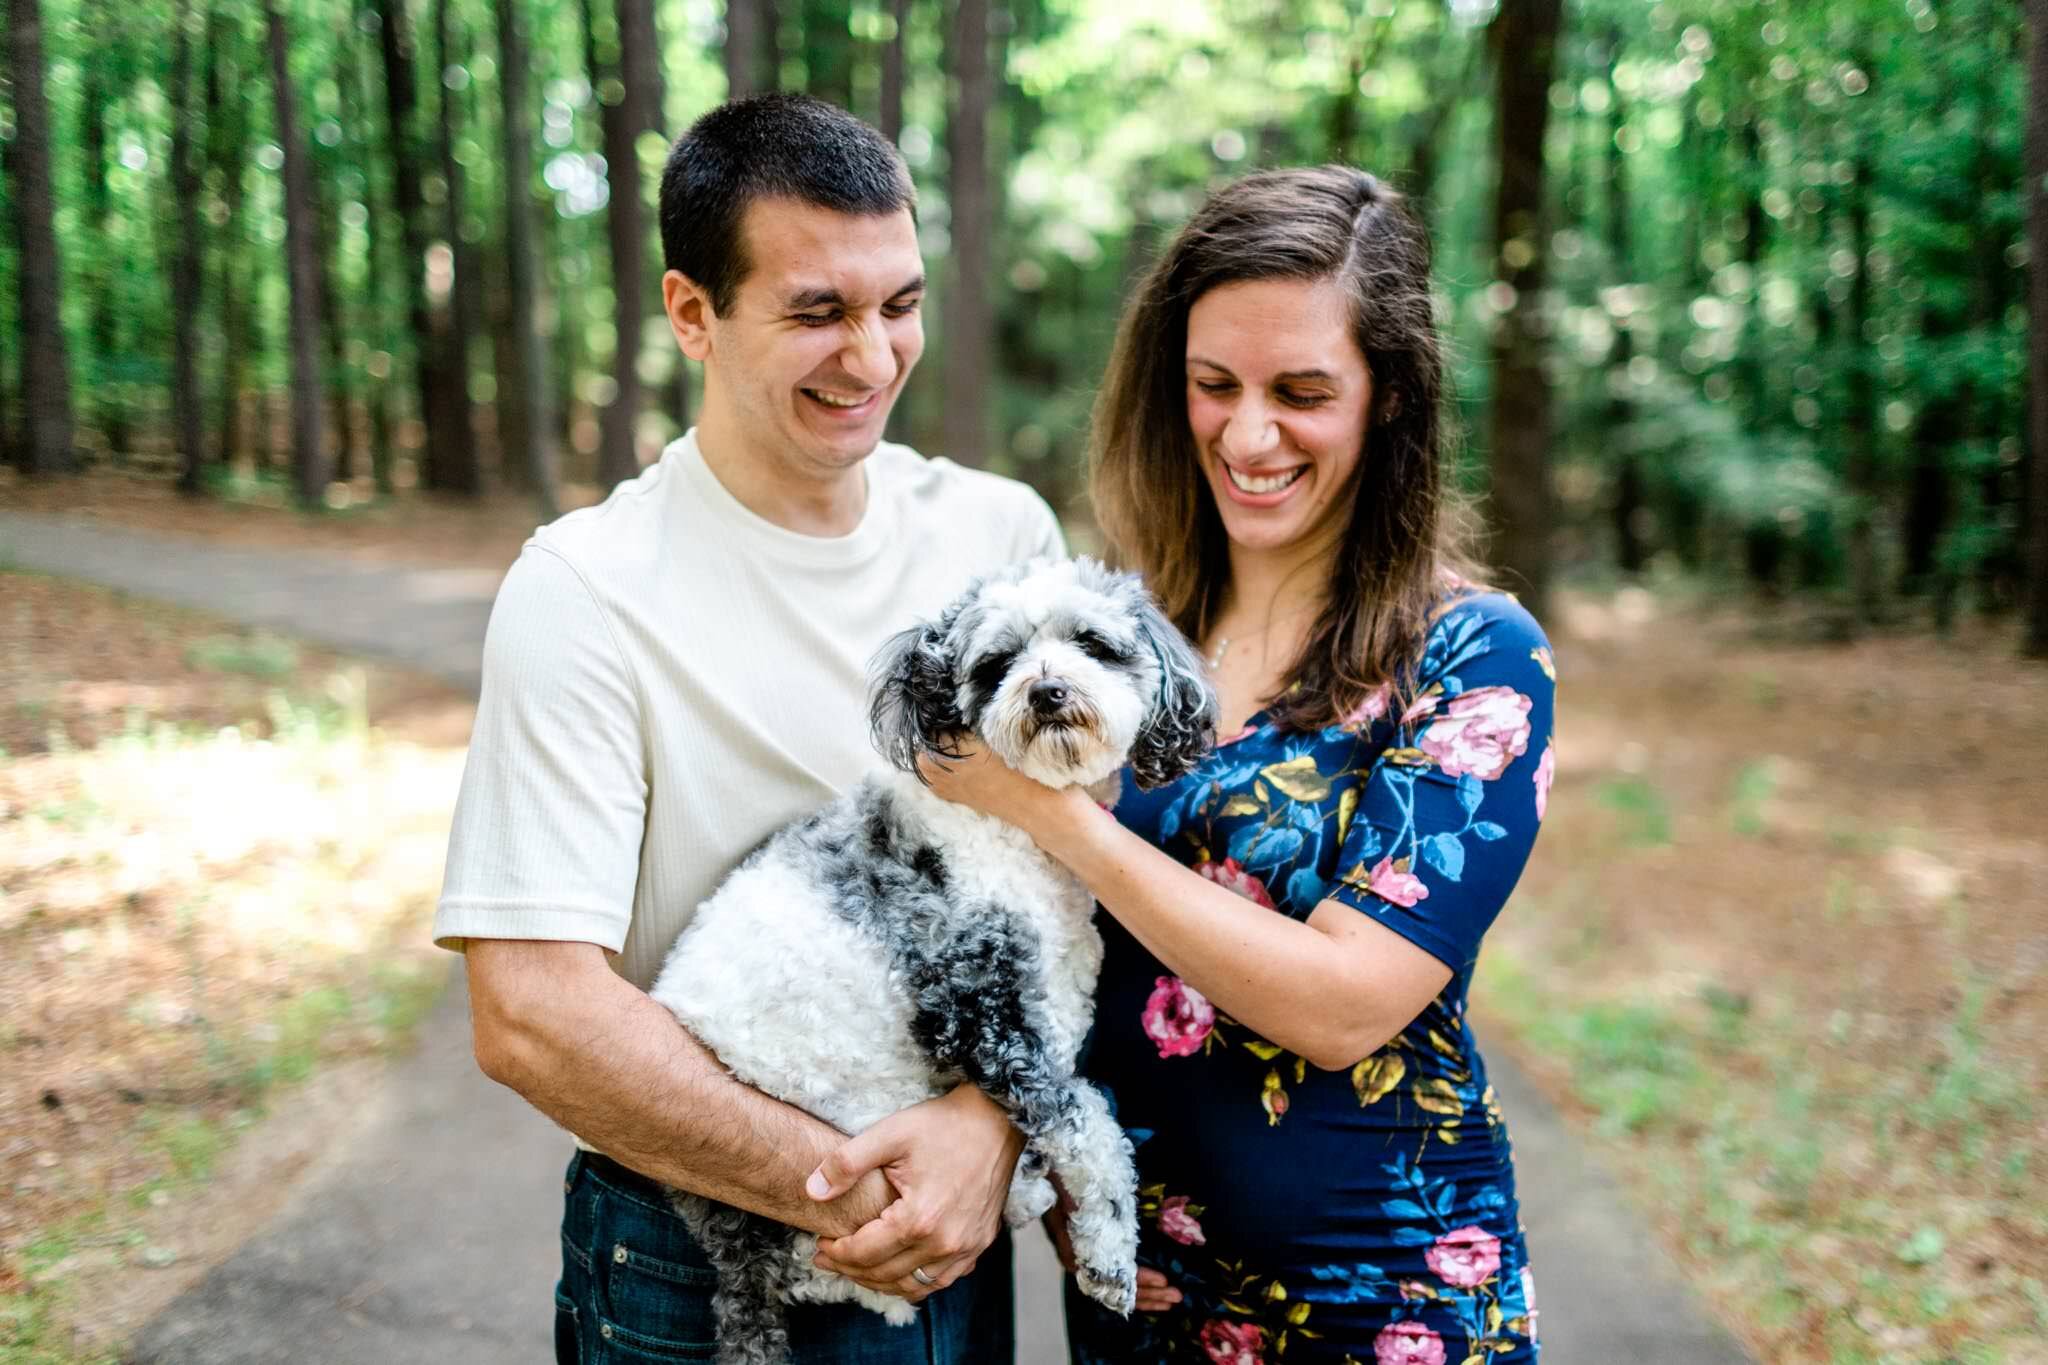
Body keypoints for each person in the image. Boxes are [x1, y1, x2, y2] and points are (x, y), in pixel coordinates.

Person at [865, 166, 1554, 1362]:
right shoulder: (1122, 635)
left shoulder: (1473, 657)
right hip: (1135, 1302)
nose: (1246, 434)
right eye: (1212, 385)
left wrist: (1058, 818)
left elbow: (1342, 1008)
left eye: (1300, 393)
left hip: (1377, 1305)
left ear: (1387, 398)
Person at [433, 93, 1064, 1364]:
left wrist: (987, 1129)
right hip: (695, 1248)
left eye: (899, 304)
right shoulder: (587, 590)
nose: (874, 357)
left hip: (954, 1213)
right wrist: (860, 1190)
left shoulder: (1001, 540)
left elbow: (1063, 886)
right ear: (691, 314)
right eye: (817, 312)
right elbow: (533, 1012)